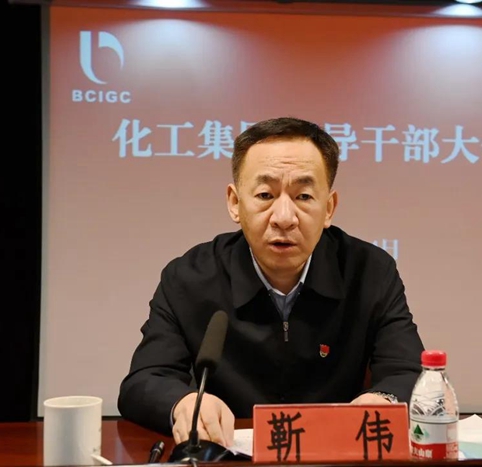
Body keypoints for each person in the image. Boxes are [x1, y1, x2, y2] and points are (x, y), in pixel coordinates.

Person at [117, 116, 424, 447]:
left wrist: (383, 400)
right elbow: (145, 379)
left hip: (336, 454)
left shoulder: (369, 272)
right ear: (235, 203)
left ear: (329, 208)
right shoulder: (189, 278)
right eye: (265, 195)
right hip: (226, 456)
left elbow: (408, 372)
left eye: (303, 196)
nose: (284, 218)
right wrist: (183, 403)